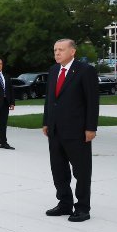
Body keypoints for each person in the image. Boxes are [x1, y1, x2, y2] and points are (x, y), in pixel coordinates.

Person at [43, 39, 99, 222]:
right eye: (55, 50)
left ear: (72, 51)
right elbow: (50, 100)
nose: (57, 53)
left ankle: (82, 207)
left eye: (61, 49)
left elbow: (92, 101)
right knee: (58, 169)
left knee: (81, 171)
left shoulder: (85, 71)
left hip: (77, 131)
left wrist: (91, 127)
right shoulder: (53, 71)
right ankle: (64, 203)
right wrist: (46, 122)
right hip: (55, 130)